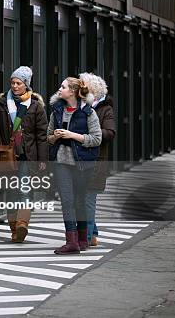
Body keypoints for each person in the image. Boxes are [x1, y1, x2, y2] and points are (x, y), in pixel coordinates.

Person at [0, 66, 47, 243]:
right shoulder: (1, 104)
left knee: (24, 190)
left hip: (27, 155)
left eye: (19, 83)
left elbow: (41, 135)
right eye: (13, 83)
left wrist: (43, 158)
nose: (15, 86)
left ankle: (22, 225)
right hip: (7, 156)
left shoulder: (35, 106)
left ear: (26, 84)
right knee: (10, 192)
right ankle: (14, 230)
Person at [48, 77, 102, 254]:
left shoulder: (88, 112)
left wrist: (72, 135)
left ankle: (82, 240)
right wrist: (56, 136)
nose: (59, 89)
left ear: (72, 91)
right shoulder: (56, 111)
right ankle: (71, 241)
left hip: (82, 163)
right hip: (62, 162)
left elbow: (96, 139)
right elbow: (48, 137)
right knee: (67, 200)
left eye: (62, 87)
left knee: (80, 200)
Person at [79, 73, 116, 246]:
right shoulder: (78, 105)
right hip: (78, 160)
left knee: (88, 199)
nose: (80, 88)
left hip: (95, 161)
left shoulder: (105, 109)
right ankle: (92, 233)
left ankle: (85, 239)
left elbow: (110, 132)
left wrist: (88, 136)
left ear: (92, 90)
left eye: (83, 85)